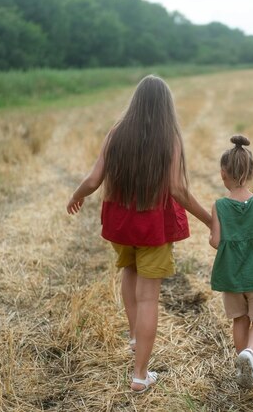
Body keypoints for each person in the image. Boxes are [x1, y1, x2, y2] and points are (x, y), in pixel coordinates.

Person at [66, 75, 211, 394]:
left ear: (136, 101)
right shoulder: (168, 137)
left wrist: (76, 195)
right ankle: (140, 375)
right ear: (166, 106)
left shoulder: (117, 132)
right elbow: (177, 189)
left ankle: (134, 337)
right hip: (152, 227)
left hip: (121, 224)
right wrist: (210, 219)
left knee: (129, 272)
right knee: (148, 298)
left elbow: (93, 179)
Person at [209, 135, 253, 389]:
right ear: (252, 173)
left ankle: (243, 370)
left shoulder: (219, 206)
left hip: (231, 276)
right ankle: (250, 353)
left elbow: (216, 242)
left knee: (240, 318)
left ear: (222, 174)